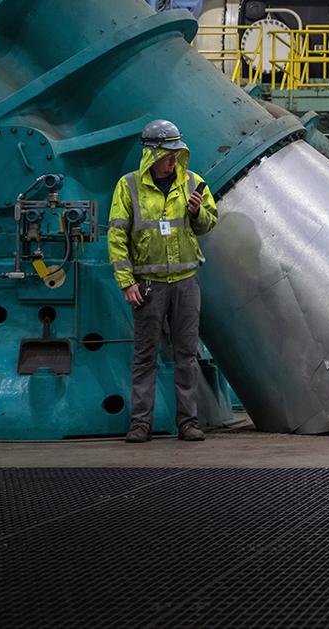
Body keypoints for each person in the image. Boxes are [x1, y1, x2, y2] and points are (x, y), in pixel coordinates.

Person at [108, 120, 218, 443]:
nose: (174, 160)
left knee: (186, 354)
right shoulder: (128, 187)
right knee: (145, 356)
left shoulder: (193, 183)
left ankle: (188, 423)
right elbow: (116, 237)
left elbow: (209, 222)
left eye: (177, 153)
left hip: (185, 282)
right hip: (148, 286)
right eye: (169, 154)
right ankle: (141, 424)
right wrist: (127, 282)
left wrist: (198, 213)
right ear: (152, 154)